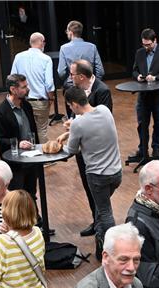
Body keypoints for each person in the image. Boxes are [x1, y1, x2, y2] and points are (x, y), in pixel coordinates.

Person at [58, 86, 122, 261]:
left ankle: (112, 251)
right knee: (100, 210)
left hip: (97, 176)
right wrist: (69, 133)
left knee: (105, 212)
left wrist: (60, 144)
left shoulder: (78, 124)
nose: (70, 109)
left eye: (69, 106)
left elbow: (71, 150)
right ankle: (100, 247)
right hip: (116, 173)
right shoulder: (104, 110)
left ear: (74, 104)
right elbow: (92, 129)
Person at [66, 58, 113, 239]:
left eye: (72, 74)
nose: (70, 77)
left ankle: (103, 232)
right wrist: (72, 124)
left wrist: (76, 126)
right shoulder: (75, 90)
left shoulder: (102, 91)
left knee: (100, 196)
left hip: (97, 152)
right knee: (88, 187)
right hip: (82, 150)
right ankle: (96, 221)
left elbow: (103, 121)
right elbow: (76, 115)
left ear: (81, 76)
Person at [129, 28, 159, 162]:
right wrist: (138, 76)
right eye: (144, 44)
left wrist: (155, 78)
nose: (146, 47)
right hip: (143, 95)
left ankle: (156, 148)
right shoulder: (139, 53)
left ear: (155, 41)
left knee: (158, 123)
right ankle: (143, 149)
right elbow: (134, 70)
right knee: (142, 123)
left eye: (148, 44)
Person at [0, 74, 39, 205]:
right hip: (16, 165)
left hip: (31, 161)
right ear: (13, 89)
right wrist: (18, 144)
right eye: (24, 87)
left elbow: (34, 131)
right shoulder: (1, 112)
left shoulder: (27, 106)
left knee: (31, 195)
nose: (28, 89)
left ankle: (35, 217)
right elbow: (1, 140)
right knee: (18, 199)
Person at [10, 32, 55, 144]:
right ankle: (43, 153)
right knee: (41, 130)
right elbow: (49, 83)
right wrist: (51, 98)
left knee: (25, 130)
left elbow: (12, 78)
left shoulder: (18, 57)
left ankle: (28, 153)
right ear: (41, 42)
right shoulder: (46, 59)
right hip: (40, 102)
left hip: (23, 100)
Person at [57, 20, 104, 94]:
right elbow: (100, 71)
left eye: (67, 31)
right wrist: (93, 84)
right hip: (89, 85)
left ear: (71, 32)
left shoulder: (64, 48)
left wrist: (69, 80)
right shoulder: (92, 47)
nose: (67, 33)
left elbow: (61, 72)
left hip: (72, 85)